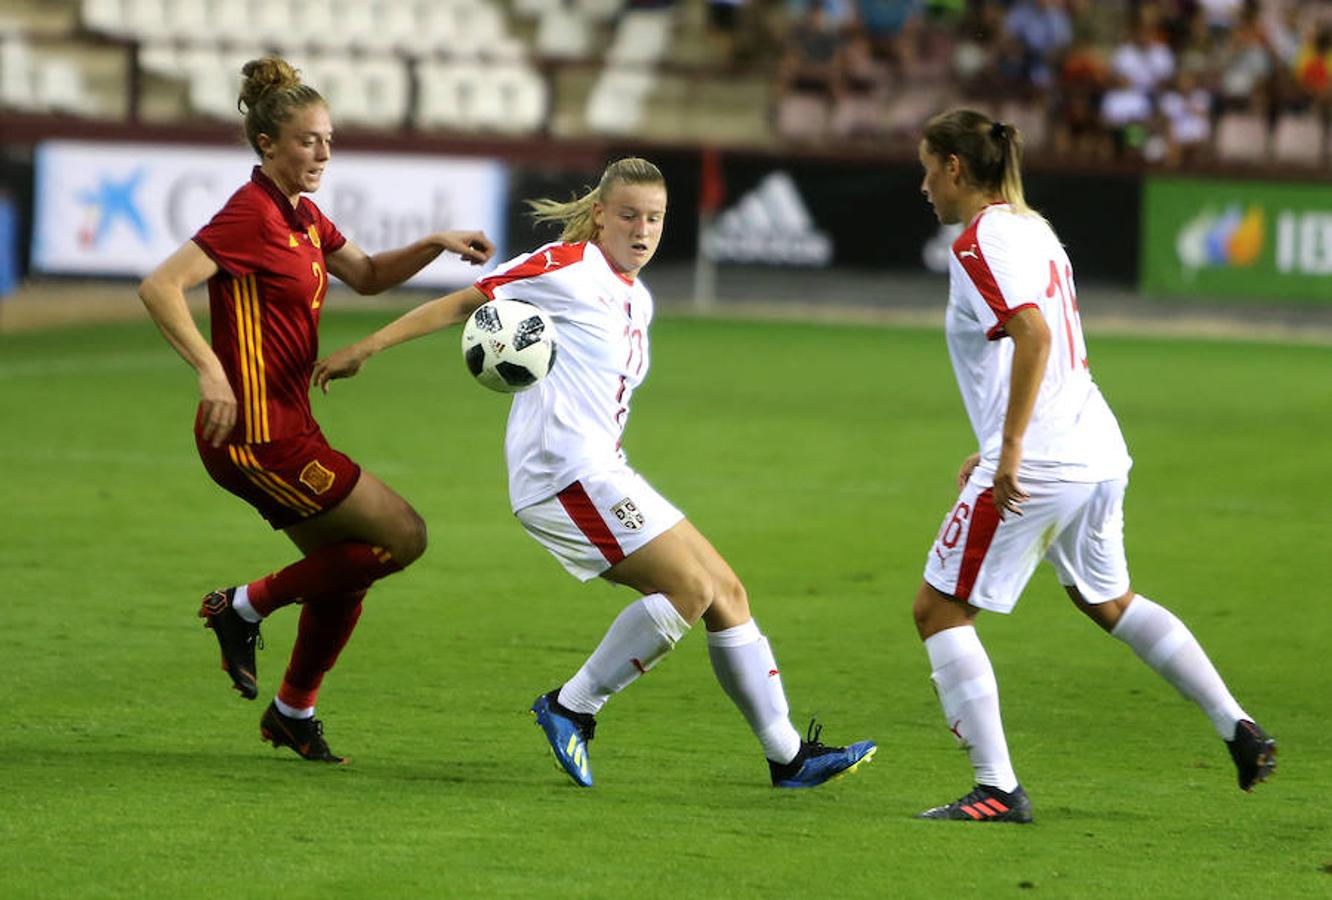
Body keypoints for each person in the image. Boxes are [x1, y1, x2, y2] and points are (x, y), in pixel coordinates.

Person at [312, 157, 876, 789]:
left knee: (727, 593)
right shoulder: (567, 264)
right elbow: (461, 304)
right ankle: (571, 707)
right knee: (686, 591)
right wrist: (363, 348)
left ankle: (788, 756)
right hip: (561, 475)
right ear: (601, 214)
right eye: (630, 215)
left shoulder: (639, 298)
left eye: (655, 218)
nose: (643, 230)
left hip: (602, 470)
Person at [910, 109, 1276, 823]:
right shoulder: (1034, 228)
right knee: (1106, 599)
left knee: (939, 609)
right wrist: (994, 438)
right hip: (1096, 449)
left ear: (955, 168)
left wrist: (1009, 448)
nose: (923, 185)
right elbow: (1036, 344)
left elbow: (1033, 335)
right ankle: (1237, 724)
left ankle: (997, 789)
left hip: (1043, 457)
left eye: (927, 169)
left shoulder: (980, 243)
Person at [138, 57, 494, 763]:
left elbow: (363, 276)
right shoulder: (250, 214)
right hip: (255, 435)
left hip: (290, 425)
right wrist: (211, 372)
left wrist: (433, 242)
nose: (323, 153)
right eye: (308, 141)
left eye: (329, 139)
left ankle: (292, 710)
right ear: (268, 144)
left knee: (352, 566)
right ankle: (240, 607)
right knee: (405, 536)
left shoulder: (300, 215)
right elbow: (160, 287)